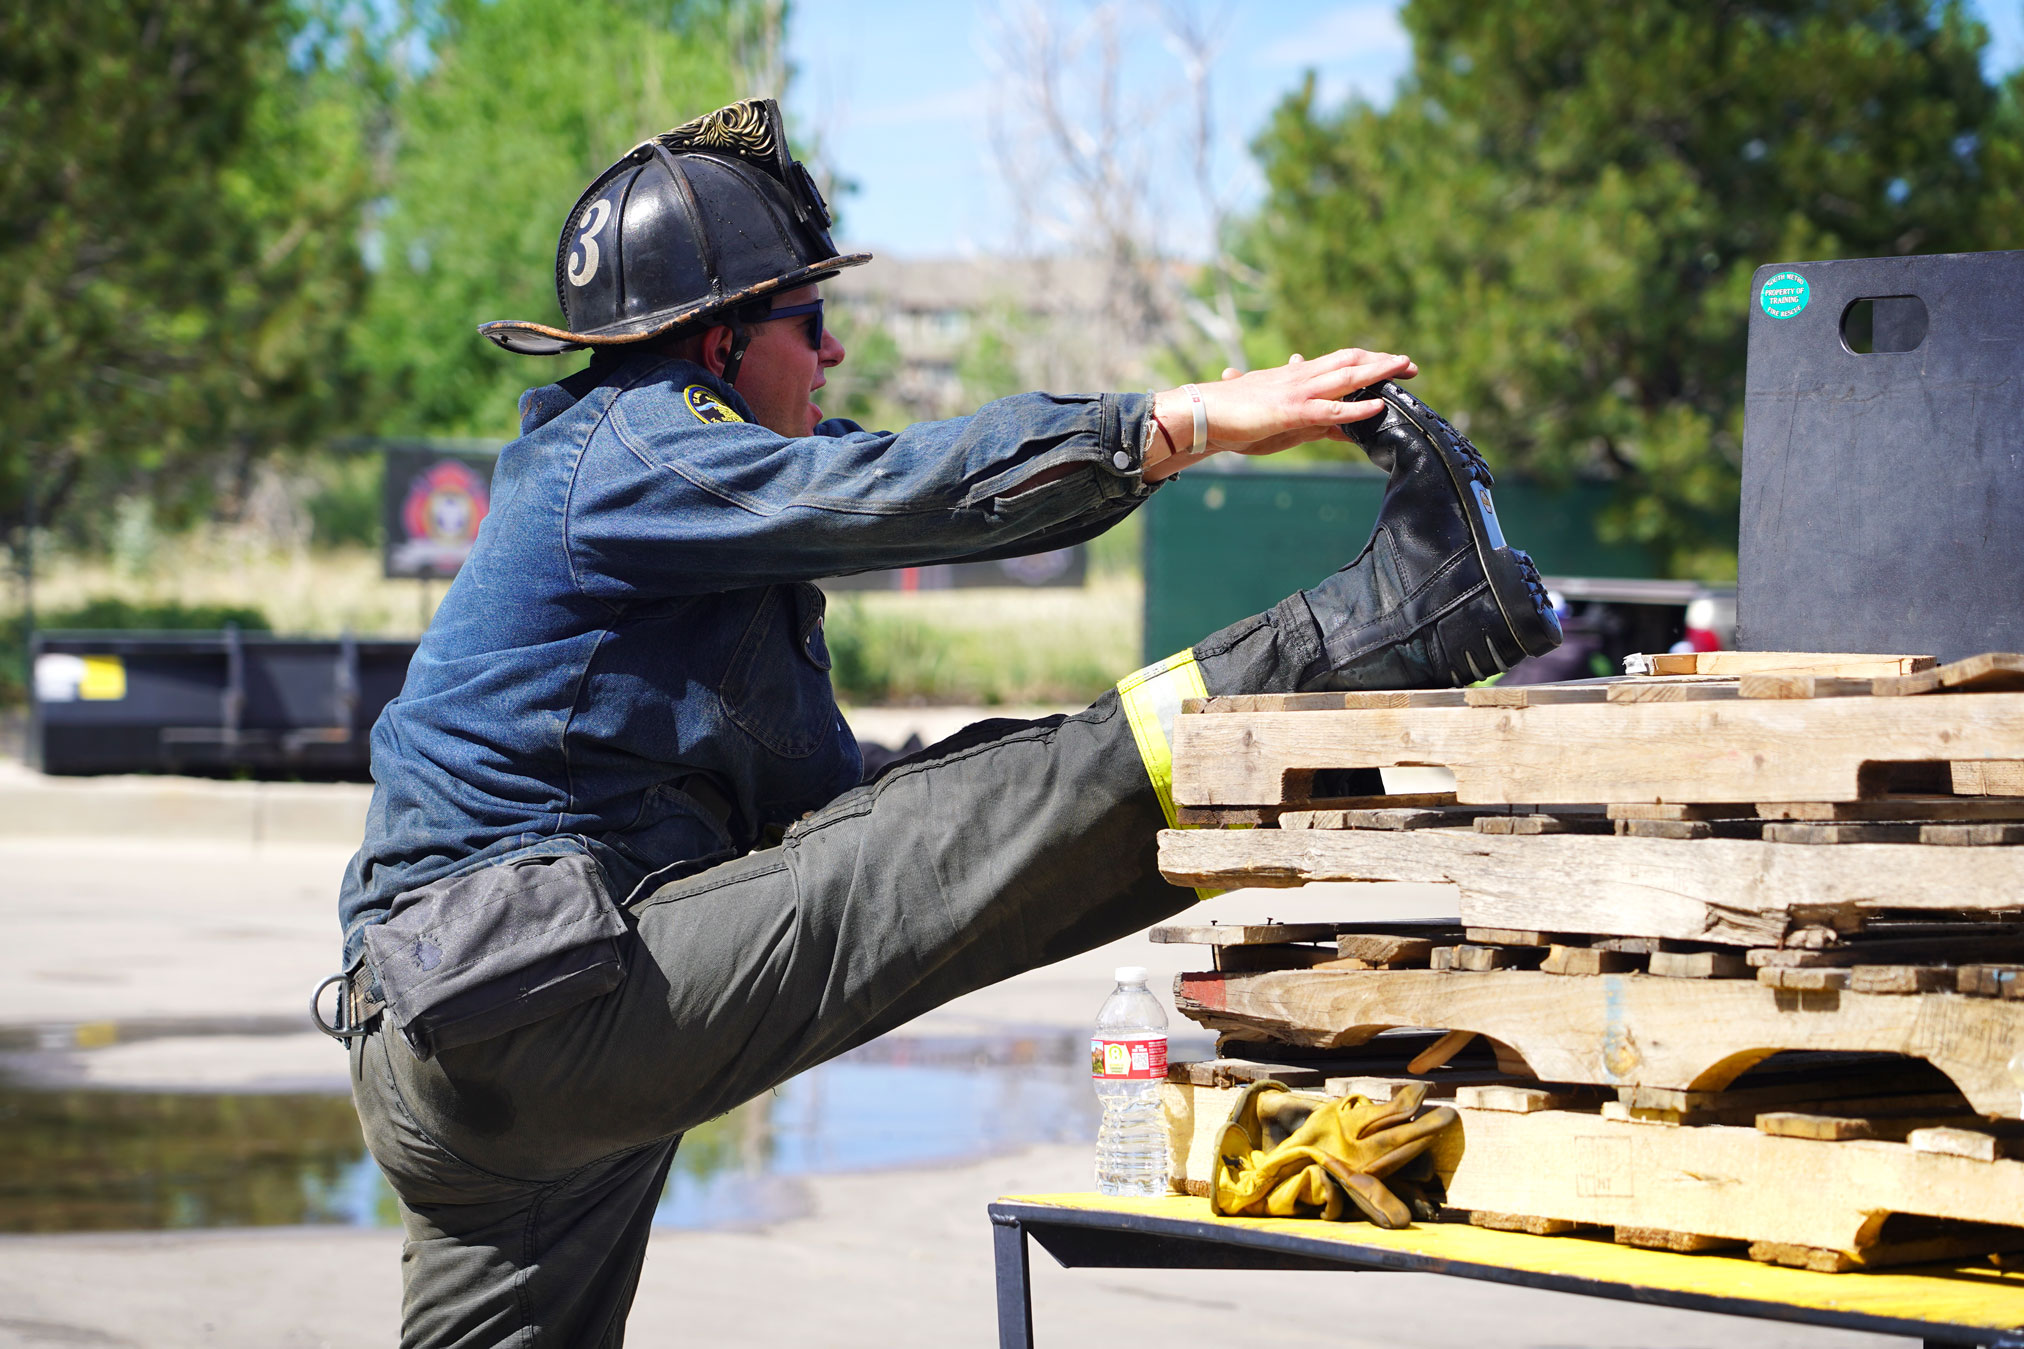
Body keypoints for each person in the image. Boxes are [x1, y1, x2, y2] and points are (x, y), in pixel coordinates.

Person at [317, 98, 1562, 1346]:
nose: (835, 355)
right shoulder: (629, 444)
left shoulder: (677, 524)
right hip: (531, 999)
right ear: (715, 349)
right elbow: (901, 492)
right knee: (979, 821)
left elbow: (843, 814)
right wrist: (1175, 425)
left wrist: (1012, 778)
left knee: (969, 800)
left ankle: (1367, 645)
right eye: (809, 324)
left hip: (464, 1056)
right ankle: (1402, 619)